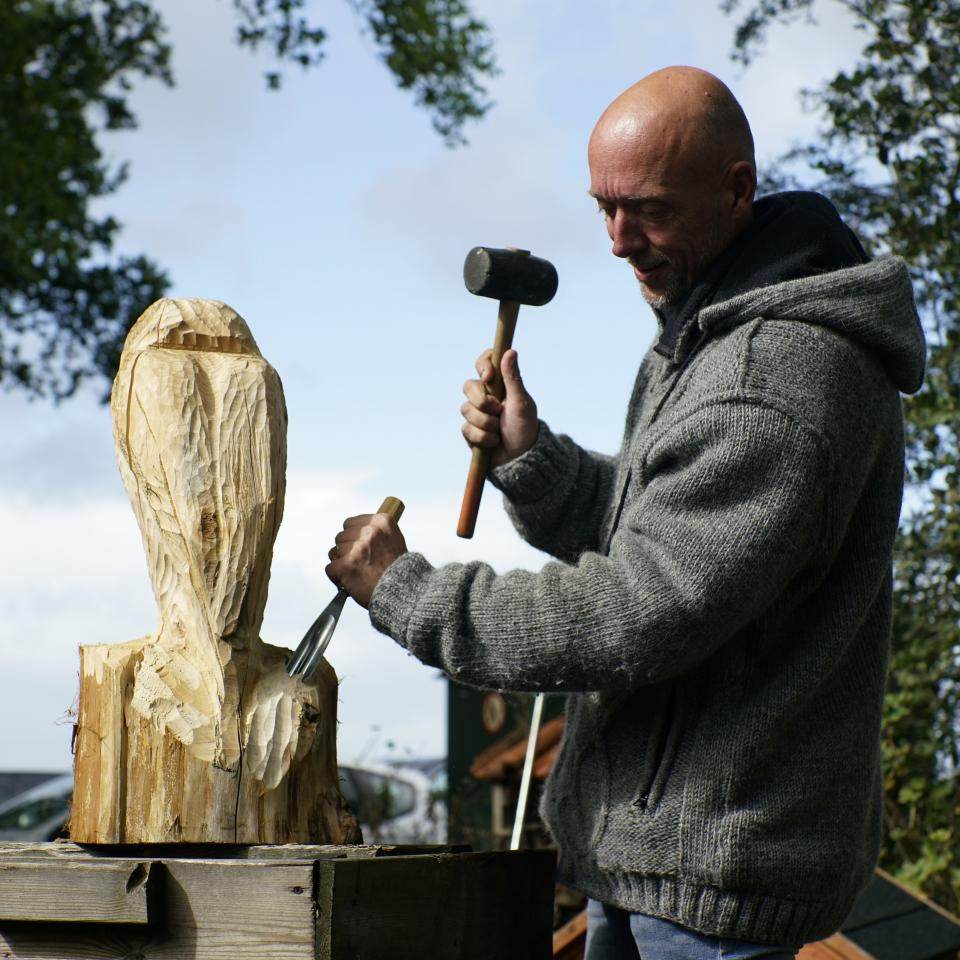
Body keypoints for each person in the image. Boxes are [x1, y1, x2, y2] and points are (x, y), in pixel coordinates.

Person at [325, 66, 927, 959]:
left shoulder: (775, 382)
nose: (616, 241)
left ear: (736, 190)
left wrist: (407, 593)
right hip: (656, 868)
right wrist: (536, 464)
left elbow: (636, 611)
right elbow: (677, 532)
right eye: (602, 207)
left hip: (710, 892)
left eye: (646, 208)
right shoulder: (712, 334)